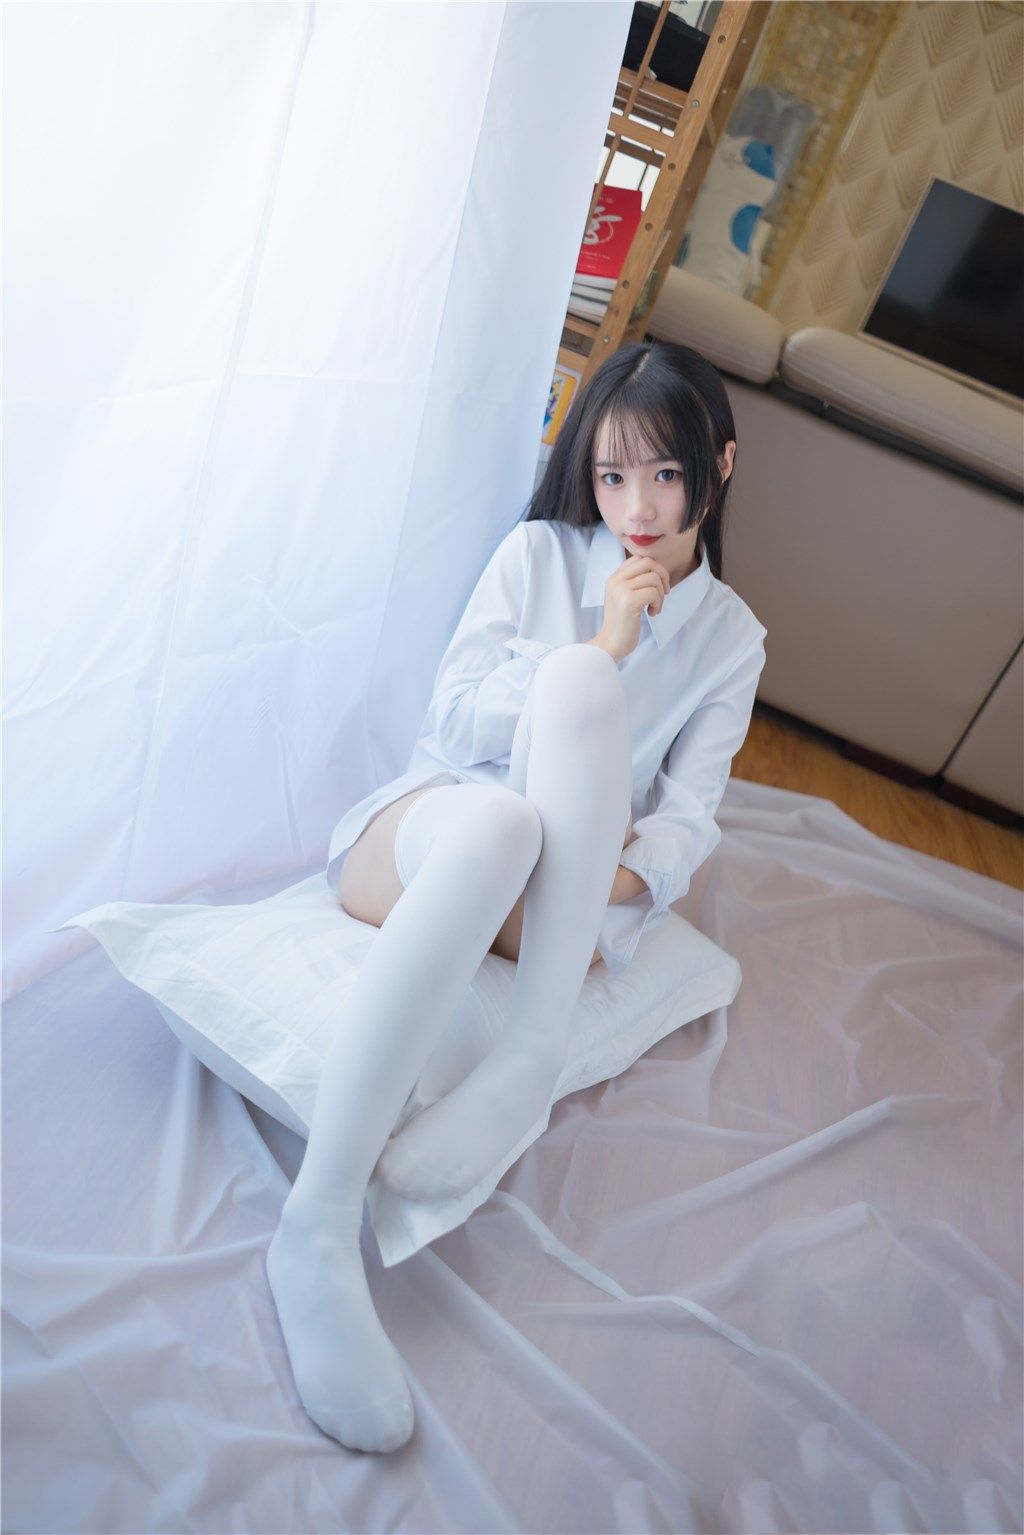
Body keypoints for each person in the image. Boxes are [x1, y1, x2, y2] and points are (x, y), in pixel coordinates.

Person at [266, 340, 768, 1453]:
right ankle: (317, 1222)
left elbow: (686, 822)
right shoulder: (538, 553)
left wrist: (592, 870)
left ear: (719, 466)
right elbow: (449, 724)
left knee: (536, 812)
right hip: (426, 835)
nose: (637, 508)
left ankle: (523, 1059)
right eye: (612, 475)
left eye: (667, 474)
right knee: (520, 785)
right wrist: (604, 643)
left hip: (554, 905)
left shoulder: (732, 640)